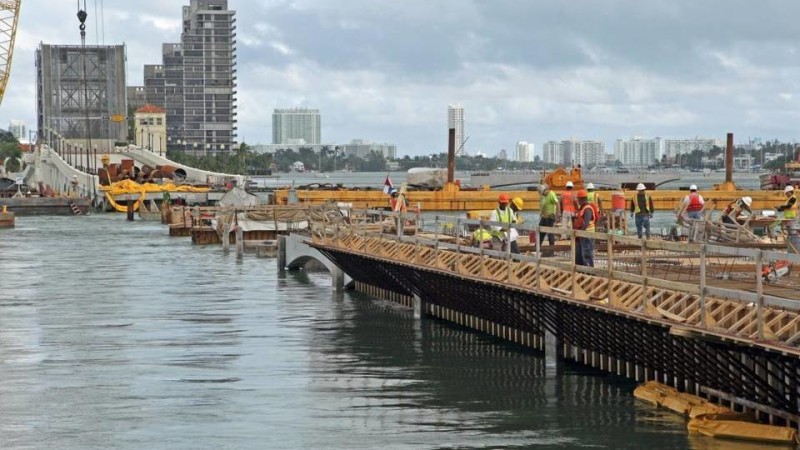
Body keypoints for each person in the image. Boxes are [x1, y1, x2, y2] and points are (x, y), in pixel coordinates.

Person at [573, 189, 596, 267]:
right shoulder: (583, 208)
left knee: (587, 255)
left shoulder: (587, 209)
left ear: (582, 199)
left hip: (587, 235)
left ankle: (590, 272)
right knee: (579, 256)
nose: (577, 201)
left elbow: (586, 223)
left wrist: (581, 233)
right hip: (582, 235)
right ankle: (581, 272)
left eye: (578, 199)